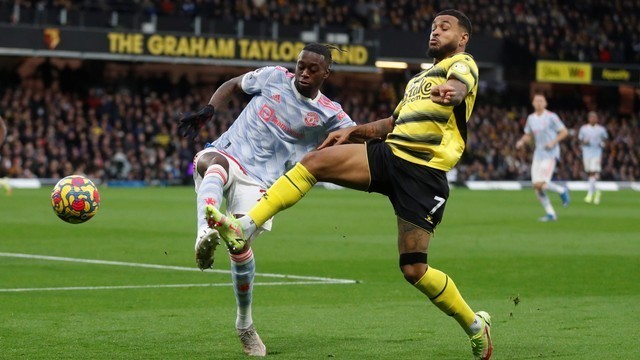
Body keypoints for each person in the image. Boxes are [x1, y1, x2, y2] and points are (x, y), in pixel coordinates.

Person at [207, 10, 493, 360]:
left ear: (463, 38)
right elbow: (393, 122)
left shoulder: (463, 63)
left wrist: (453, 91)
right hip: (390, 156)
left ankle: (475, 326)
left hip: (423, 175)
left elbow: (460, 86)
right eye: (433, 27)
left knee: (414, 269)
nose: (435, 32)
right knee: (313, 163)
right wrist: (351, 132)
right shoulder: (419, 80)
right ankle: (244, 225)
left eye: (445, 28)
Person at [177, 43, 355, 357]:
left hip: (262, 183)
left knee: (238, 245)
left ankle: (244, 325)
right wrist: (210, 110)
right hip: (230, 153)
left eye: (313, 68)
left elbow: (356, 135)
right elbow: (232, 85)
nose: (304, 72)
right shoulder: (273, 76)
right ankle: (204, 233)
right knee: (210, 163)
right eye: (301, 65)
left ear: (326, 72)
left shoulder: (331, 113)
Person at [516, 94, 570, 222]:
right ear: (533, 103)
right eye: (536, 101)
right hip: (538, 153)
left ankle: (561, 190)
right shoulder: (531, 118)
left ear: (545, 103)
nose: (539, 103)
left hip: (550, 154)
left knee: (542, 183)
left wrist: (553, 142)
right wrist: (522, 141)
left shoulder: (552, 117)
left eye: (541, 101)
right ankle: (551, 214)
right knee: (536, 186)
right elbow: (528, 134)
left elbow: (564, 132)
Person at [578, 111, 608, 204]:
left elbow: (605, 139)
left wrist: (602, 144)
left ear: (597, 119)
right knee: (590, 173)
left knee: (593, 172)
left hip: (596, 153)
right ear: (588, 118)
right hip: (586, 153)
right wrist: (584, 142)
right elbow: (580, 140)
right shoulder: (583, 129)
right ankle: (597, 192)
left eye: (594, 117)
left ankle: (590, 194)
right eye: (591, 117)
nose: (593, 119)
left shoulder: (601, 129)